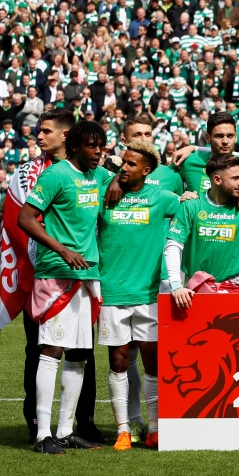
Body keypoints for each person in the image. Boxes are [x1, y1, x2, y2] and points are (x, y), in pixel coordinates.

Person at [18, 121, 110, 454]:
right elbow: (26, 218)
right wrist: (62, 250)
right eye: (91, 145)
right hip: (56, 276)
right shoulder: (55, 175)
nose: (97, 152)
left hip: (87, 276)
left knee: (80, 354)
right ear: (74, 146)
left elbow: (126, 180)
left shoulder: (99, 176)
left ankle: (66, 430)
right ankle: (43, 435)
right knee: (51, 351)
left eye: (101, 146)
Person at [97, 141, 181, 451]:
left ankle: (155, 429)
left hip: (149, 293)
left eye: (132, 164)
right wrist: (114, 180)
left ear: (147, 171)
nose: (124, 167)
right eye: (124, 162)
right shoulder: (106, 193)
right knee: (118, 361)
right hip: (112, 291)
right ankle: (123, 429)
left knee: (153, 363)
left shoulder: (161, 197)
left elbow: (194, 209)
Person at [164, 154, 239, 309]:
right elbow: (173, 245)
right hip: (195, 289)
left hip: (233, 287)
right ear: (217, 180)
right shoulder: (191, 205)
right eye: (235, 178)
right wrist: (175, 284)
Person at [173, 112, 239, 194]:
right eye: (219, 136)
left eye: (230, 136)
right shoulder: (188, 162)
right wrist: (179, 198)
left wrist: (195, 148)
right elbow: (166, 187)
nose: (225, 141)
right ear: (207, 138)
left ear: (236, 137)